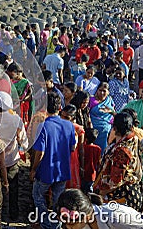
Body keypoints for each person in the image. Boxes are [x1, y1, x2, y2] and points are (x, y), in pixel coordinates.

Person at [30, 92, 76, 229]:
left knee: (38, 196)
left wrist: (33, 169)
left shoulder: (43, 126)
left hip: (45, 171)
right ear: (60, 107)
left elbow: (40, 152)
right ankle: (57, 224)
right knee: (58, 199)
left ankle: (45, 223)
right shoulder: (69, 126)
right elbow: (72, 147)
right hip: (62, 170)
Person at [94, 112, 143, 210]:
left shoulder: (122, 150)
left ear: (115, 128)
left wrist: (100, 194)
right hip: (131, 192)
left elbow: (116, 180)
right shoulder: (133, 139)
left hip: (120, 196)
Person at [0, 91, 28, 221]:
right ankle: (13, 214)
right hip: (12, 158)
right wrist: (24, 146)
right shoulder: (16, 119)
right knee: (13, 189)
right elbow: (22, 139)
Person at [55, 189, 143, 228]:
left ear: (86, 216)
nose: (68, 228)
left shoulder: (116, 217)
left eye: (71, 224)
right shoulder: (83, 224)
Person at [61, 104, 84, 189]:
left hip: (72, 158)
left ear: (73, 118)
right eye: (62, 116)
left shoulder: (78, 129)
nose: (63, 119)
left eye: (66, 117)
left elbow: (81, 149)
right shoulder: (57, 125)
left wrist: (82, 165)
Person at [89, 82, 115, 153]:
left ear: (108, 92)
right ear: (97, 90)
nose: (102, 93)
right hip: (94, 129)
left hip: (106, 130)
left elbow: (113, 114)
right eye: (100, 90)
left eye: (104, 91)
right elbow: (87, 114)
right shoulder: (91, 100)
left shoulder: (109, 100)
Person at [82, 128, 101, 193]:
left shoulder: (83, 148)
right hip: (92, 174)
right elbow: (99, 162)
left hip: (83, 174)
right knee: (90, 191)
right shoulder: (98, 149)